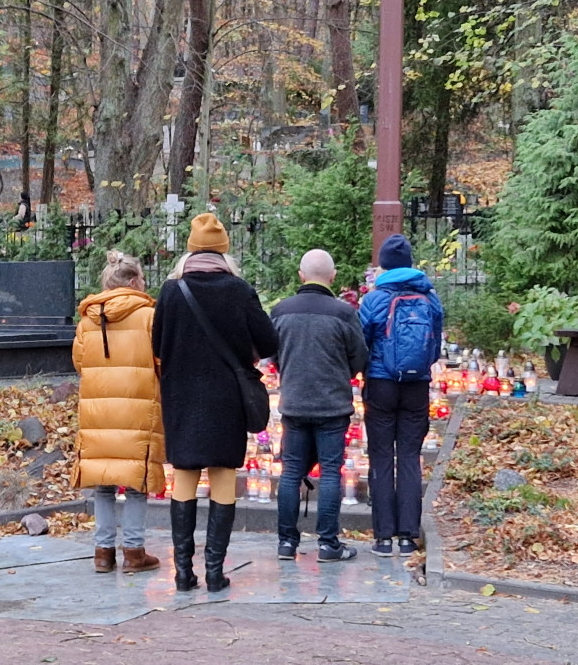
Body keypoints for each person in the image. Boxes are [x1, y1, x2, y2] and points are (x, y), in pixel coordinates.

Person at [152, 213, 277, 592]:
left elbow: (157, 345)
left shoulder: (171, 292)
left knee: (185, 475)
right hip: (226, 399)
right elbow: (269, 342)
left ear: (190, 249)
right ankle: (214, 571)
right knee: (223, 475)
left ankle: (183, 572)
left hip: (182, 397)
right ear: (223, 252)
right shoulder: (239, 291)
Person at [270, 249, 368, 563]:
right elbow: (359, 356)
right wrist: (341, 374)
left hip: (294, 404)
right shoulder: (343, 313)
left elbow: (271, 355)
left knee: (290, 473)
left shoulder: (281, 310)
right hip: (332, 406)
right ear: (333, 276)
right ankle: (328, 544)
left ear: (301, 276)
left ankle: (286, 542)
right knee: (329, 473)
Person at [72, 251, 165, 574]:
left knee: (104, 484)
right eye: (141, 277)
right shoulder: (148, 317)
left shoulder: (87, 320)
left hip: (97, 411)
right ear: (133, 281)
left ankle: (103, 552)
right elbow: (160, 361)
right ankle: (134, 552)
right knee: (136, 481)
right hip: (138, 408)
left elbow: (80, 363)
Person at [359, 234, 444, 557]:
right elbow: (434, 345)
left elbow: (362, 341)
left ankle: (383, 537)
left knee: (381, 456)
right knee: (409, 457)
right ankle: (408, 536)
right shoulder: (429, 297)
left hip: (381, 383)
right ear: (409, 262)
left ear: (383, 263)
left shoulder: (375, 298)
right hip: (416, 386)